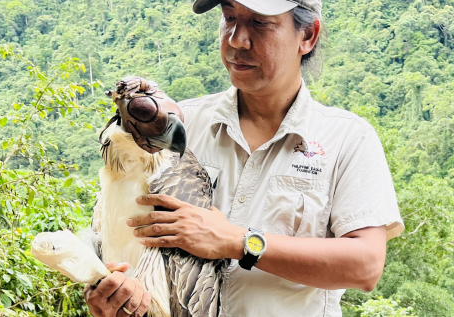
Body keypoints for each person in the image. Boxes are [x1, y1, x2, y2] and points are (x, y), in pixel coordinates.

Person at [84, 0, 404, 316]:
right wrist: (113, 294)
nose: (236, 39)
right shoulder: (178, 130)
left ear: (307, 36)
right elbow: (118, 234)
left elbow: (365, 265)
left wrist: (239, 242)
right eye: (229, 17)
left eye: (260, 23)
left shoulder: (348, 139)